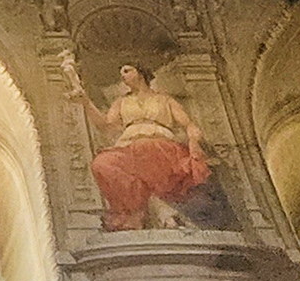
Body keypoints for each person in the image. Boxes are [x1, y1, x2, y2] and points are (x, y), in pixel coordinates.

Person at [68, 61, 215, 232]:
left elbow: (189, 125)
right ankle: (143, 209)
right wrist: (86, 103)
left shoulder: (165, 100)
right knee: (101, 164)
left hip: (161, 147)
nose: (123, 76)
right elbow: (105, 125)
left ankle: (158, 210)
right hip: (131, 148)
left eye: (127, 71)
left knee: (150, 156)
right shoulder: (121, 102)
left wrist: (194, 142)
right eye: (121, 73)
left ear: (140, 72)